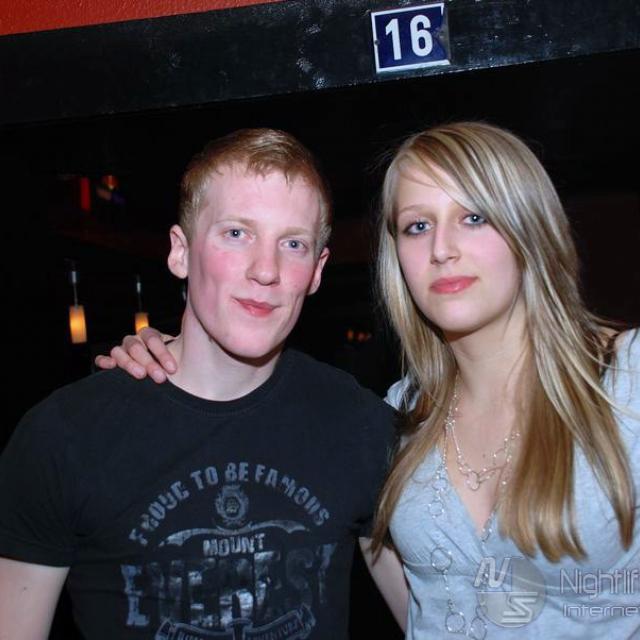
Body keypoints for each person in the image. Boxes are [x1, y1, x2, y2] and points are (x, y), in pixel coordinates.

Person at [107, 122, 639, 638]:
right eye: (418, 226)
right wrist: (170, 355)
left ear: (530, 228)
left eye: (474, 217)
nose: (442, 249)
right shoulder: (398, 417)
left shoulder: (627, 377)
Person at [0, 128, 407, 639]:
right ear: (180, 251)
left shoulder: (360, 424)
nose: (266, 270)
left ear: (317, 270)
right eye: (236, 233)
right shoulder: (63, 437)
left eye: (293, 244)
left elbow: (440, 617)